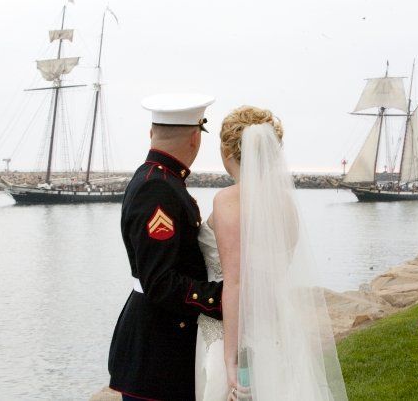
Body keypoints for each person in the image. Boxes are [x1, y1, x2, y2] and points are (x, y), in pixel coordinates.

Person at [195, 106, 348, 400]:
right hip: (277, 322)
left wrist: (231, 358)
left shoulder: (227, 201)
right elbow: (278, 270)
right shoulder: (286, 204)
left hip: (229, 329)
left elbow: (235, 282)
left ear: (227, 150)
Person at [108, 93, 224, 401]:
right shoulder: (157, 188)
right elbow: (159, 281)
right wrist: (223, 299)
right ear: (195, 138)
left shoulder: (160, 180)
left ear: (151, 134)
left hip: (160, 344)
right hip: (158, 353)